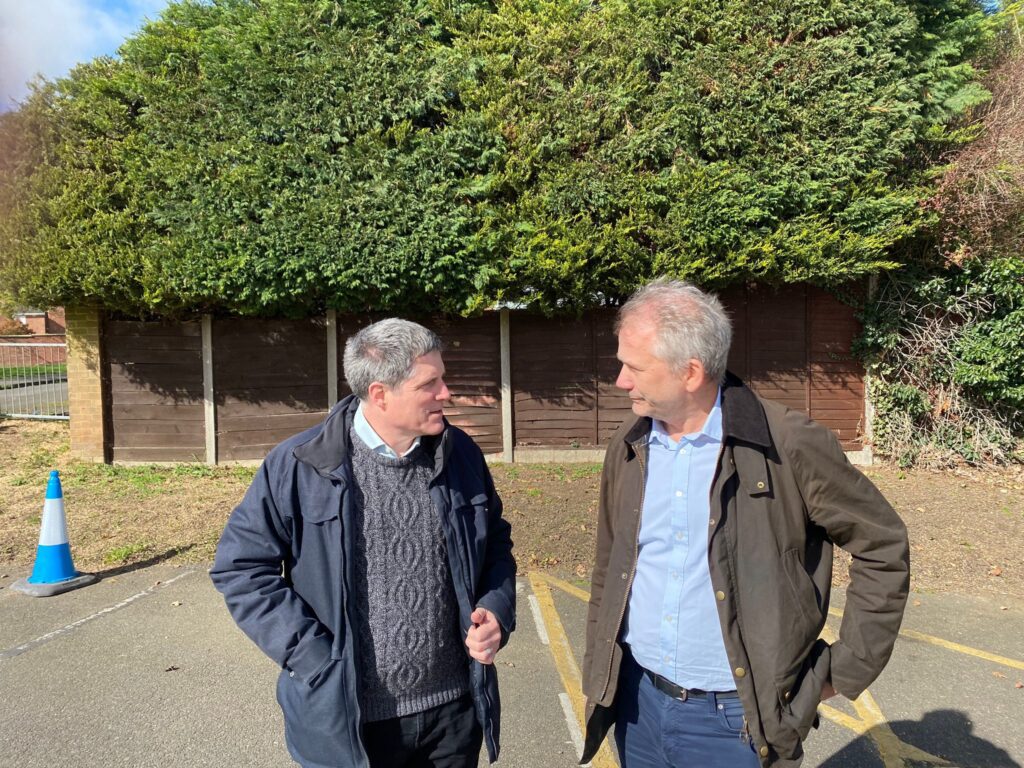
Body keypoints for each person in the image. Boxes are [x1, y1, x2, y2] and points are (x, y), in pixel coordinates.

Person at [581, 279, 909, 768]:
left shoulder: (787, 444)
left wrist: (845, 668)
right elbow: (611, 566)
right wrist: (601, 673)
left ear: (690, 372)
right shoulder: (629, 446)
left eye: (634, 366)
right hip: (636, 702)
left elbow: (882, 544)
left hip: (735, 721)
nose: (621, 380)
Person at [211, 318, 516, 768]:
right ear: (380, 394)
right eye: (430, 383)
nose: (446, 393)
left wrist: (496, 608)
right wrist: (314, 659)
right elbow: (241, 569)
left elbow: (495, 547)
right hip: (348, 722)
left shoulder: (462, 455)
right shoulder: (299, 465)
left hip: (453, 716)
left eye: (443, 378)